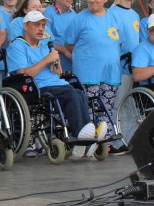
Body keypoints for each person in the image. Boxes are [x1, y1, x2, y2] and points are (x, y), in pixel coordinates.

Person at [6, 10, 97, 142]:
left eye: (43, 25)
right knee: (71, 94)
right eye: (36, 25)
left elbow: (58, 73)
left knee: (79, 93)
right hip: (37, 87)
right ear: (25, 26)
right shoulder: (17, 46)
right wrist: (46, 60)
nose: (41, 29)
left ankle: (85, 134)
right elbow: (22, 75)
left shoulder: (45, 45)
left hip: (57, 84)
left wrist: (56, 64)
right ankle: (81, 135)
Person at [64, 0, 122, 148]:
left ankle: (104, 145)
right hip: (88, 74)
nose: (92, 0)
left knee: (106, 109)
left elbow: (118, 42)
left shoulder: (113, 16)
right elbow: (68, 44)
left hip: (111, 73)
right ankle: (87, 144)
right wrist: (84, 56)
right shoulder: (79, 19)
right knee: (89, 110)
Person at [108, 0, 141, 152]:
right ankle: (115, 142)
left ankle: (130, 140)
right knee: (118, 104)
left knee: (130, 104)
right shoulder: (111, 13)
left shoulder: (135, 15)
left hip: (134, 67)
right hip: (119, 67)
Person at [43, 0, 75, 71]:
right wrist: (64, 51)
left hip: (73, 64)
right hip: (56, 66)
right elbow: (44, 41)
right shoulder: (47, 14)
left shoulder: (73, 13)